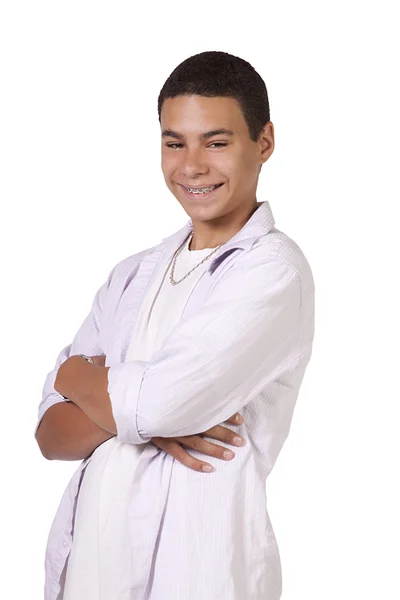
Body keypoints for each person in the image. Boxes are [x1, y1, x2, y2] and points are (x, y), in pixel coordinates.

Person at [35, 50, 315, 600]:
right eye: (173, 142)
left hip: (200, 573)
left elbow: (159, 404)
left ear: (264, 142)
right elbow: (50, 435)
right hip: (91, 575)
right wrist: (135, 405)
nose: (191, 165)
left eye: (216, 142)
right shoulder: (131, 274)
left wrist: (79, 380)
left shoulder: (273, 271)